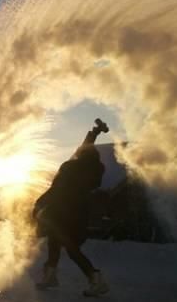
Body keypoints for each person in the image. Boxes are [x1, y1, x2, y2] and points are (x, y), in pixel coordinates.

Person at [33, 118, 110, 297]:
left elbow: (55, 189)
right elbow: (85, 148)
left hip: (63, 213)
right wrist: (94, 133)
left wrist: (39, 202)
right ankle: (51, 277)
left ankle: (96, 278)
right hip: (80, 215)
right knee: (60, 244)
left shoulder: (70, 168)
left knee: (69, 248)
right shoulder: (93, 171)